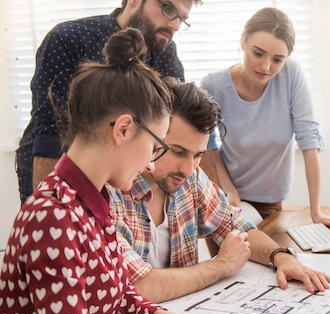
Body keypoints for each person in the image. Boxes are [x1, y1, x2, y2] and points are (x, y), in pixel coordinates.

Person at [0, 29, 274, 314]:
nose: (150, 163)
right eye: (157, 147)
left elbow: (113, 291)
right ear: (124, 129)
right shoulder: (52, 216)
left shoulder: (89, 200)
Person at [108, 76, 330, 303]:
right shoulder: (109, 190)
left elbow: (235, 226)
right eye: (178, 151)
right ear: (150, 136)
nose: (188, 169)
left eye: (198, 155)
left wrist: (280, 257)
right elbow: (137, 286)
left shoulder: (190, 178)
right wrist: (221, 265)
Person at [15, 0, 202, 204]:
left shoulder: (165, 53)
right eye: (167, 9)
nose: (174, 25)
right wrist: (49, 205)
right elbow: (50, 133)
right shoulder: (69, 38)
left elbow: (182, 122)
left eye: (182, 19)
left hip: (119, 175)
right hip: (57, 165)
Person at [200, 7, 330, 228]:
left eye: (277, 59)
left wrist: (316, 211)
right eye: (258, 53)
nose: (266, 67)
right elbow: (209, 144)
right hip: (227, 200)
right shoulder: (213, 86)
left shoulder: (291, 75)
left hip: (271, 202)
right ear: (243, 42)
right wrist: (227, 188)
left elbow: (309, 139)